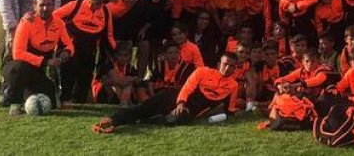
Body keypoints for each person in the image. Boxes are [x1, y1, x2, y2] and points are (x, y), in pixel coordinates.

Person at [92, 53, 242, 133]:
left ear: (235, 68)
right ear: (218, 64)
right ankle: (112, 121)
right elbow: (187, 87)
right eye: (225, 64)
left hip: (190, 111)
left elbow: (230, 109)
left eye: (231, 66)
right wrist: (181, 103)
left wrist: (235, 111)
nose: (228, 68)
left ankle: (140, 121)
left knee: (173, 120)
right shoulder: (202, 71)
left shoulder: (233, 86)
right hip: (175, 96)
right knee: (144, 107)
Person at [0, 0, 74, 113]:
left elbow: (69, 44)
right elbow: (18, 53)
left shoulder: (59, 23)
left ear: (54, 6)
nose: (45, 8)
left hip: (37, 70)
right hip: (16, 66)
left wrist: (66, 52)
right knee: (19, 68)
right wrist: (45, 61)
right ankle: (12, 98)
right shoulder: (26, 23)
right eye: (42, 5)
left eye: (49, 5)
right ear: (34, 6)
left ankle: (27, 94)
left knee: (50, 100)